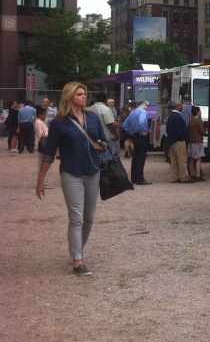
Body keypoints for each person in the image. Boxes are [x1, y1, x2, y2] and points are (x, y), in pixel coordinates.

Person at [35, 82, 108, 276]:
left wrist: (102, 145)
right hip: (71, 172)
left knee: (89, 218)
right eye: (79, 94)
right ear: (69, 97)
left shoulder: (93, 117)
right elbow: (49, 153)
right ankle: (77, 260)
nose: (84, 97)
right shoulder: (59, 122)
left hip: (93, 170)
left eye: (84, 94)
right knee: (76, 218)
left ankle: (78, 250)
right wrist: (40, 180)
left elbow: (105, 140)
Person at [122, 99, 152, 185]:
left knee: (135, 157)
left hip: (135, 135)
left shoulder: (133, 112)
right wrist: (143, 131)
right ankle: (140, 179)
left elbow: (125, 125)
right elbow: (142, 122)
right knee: (141, 158)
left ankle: (134, 178)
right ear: (144, 104)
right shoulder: (142, 111)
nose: (147, 108)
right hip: (142, 136)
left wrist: (132, 132)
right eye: (147, 105)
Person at [165, 102, 192, 183]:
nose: (182, 107)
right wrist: (182, 138)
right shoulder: (177, 117)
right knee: (182, 159)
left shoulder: (171, 116)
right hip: (178, 141)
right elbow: (179, 130)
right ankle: (184, 177)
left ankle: (174, 177)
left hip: (171, 140)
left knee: (174, 160)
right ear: (178, 106)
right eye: (181, 105)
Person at [187, 107, 205, 181]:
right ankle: (198, 175)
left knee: (191, 159)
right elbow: (202, 132)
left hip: (191, 142)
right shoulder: (199, 121)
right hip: (198, 142)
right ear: (197, 112)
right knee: (198, 159)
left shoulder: (190, 122)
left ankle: (192, 175)